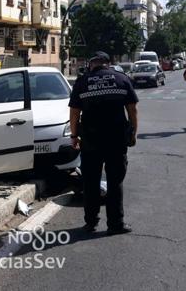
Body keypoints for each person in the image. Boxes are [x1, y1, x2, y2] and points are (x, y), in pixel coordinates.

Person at [69, 51, 139, 235]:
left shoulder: (82, 82)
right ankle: (116, 224)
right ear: (108, 64)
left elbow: (74, 113)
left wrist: (74, 136)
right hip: (116, 139)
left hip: (91, 141)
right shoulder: (121, 79)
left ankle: (90, 223)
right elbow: (132, 110)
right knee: (115, 182)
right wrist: (133, 132)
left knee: (91, 182)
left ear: (91, 64)